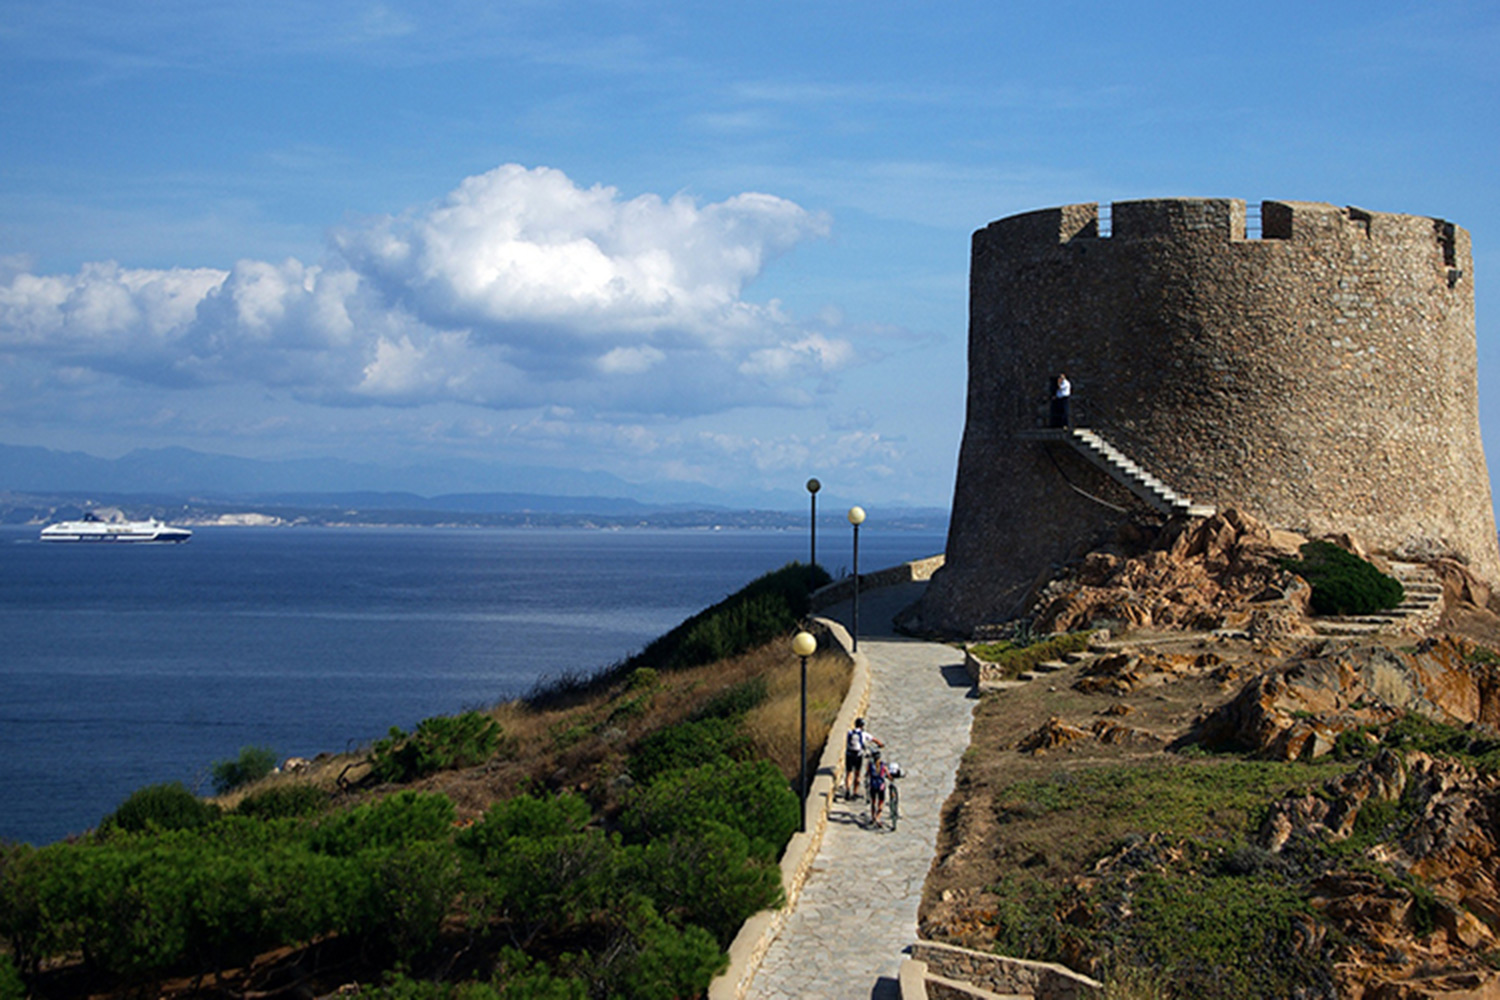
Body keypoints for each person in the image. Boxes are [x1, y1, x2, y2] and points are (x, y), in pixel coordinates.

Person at [843, 718, 883, 799]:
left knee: (849, 773)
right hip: (858, 755)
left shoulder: (850, 732)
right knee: (857, 774)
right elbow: (874, 739)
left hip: (849, 754)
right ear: (862, 726)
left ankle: (847, 790)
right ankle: (855, 792)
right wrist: (881, 744)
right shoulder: (863, 734)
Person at [867, 749, 892, 827]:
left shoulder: (870, 765)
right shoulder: (883, 765)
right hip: (881, 786)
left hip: (873, 785)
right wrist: (890, 778)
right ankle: (878, 817)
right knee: (881, 802)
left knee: (873, 802)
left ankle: (873, 817)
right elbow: (888, 774)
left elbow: (868, 773)